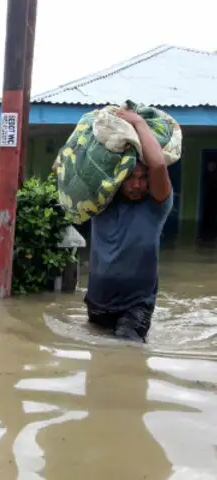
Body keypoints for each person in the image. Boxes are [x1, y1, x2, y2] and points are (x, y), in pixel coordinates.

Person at [85, 107, 173, 343]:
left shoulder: (156, 206)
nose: (137, 184)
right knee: (98, 367)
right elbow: (90, 165)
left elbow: (158, 166)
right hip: (96, 302)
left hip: (136, 306)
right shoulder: (101, 202)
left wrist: (138, 123)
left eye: (143, 178)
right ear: (118, 176)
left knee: (126, 356)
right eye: (130, 177)